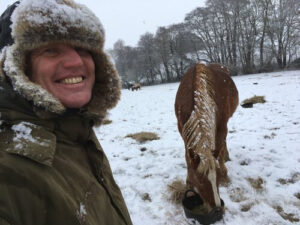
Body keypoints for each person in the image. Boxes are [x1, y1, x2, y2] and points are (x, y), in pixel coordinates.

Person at [0, 0, 132, 224]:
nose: (75, 61)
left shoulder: (76, 132)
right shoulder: (8, 171)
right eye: (50, 50)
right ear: (16, 66)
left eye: (82, 48)